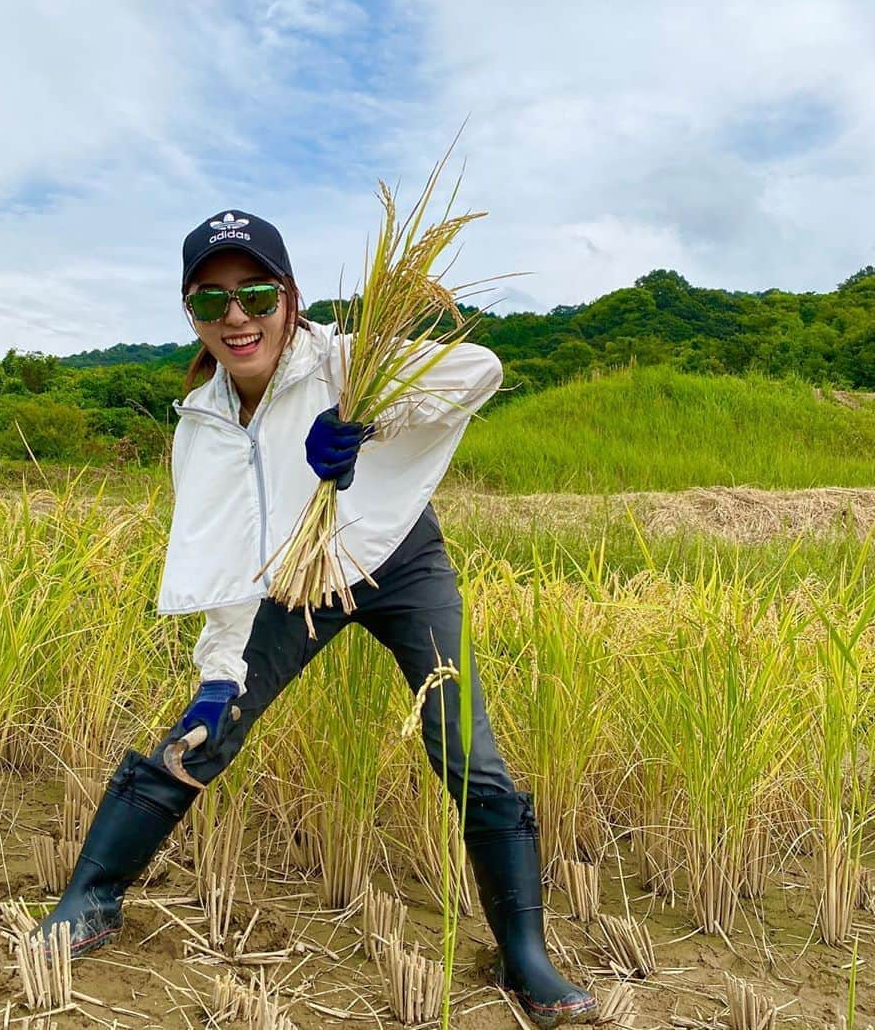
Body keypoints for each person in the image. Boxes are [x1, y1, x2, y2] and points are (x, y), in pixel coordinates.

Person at [35, 209, 598, 1028]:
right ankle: (92, 897)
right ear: (191, 311)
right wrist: (217, 669)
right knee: (203, 730)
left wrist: (370, 420)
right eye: (212, 301)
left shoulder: (343, 358)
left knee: (469, 753)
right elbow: (221, 554)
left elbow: (480, 368)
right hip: (293, 584)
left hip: (399, 561)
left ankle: (525, 953)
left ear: (290, 298)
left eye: (256, 293)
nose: (237, 316)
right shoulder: (202, 424)